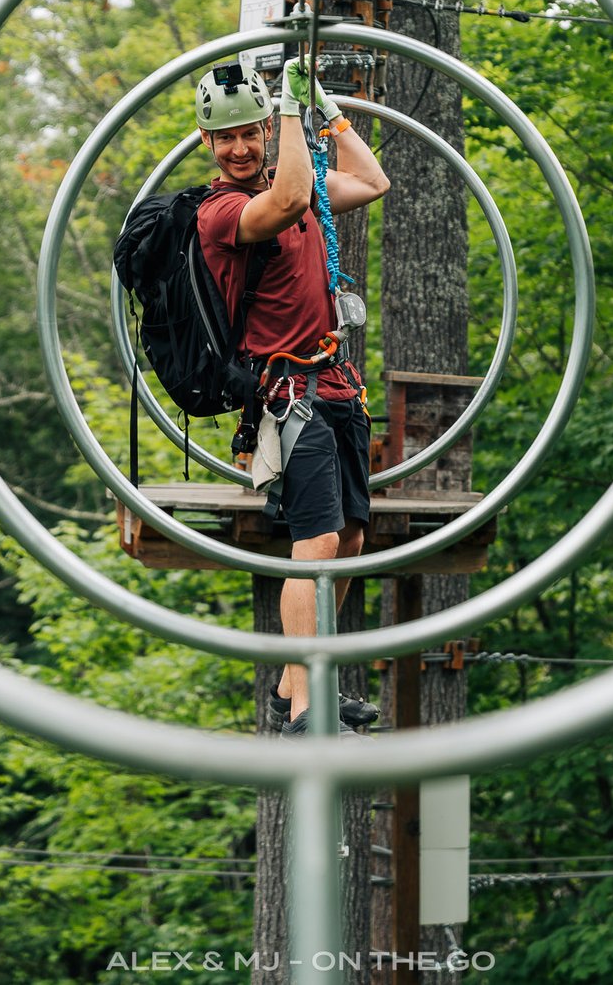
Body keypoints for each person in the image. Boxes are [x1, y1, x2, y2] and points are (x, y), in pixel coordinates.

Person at [194, 58, 390, 737]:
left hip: (337, 386)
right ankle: (307, 708)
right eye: (226, 139)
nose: (240, 148)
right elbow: (281, 202)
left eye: (249, 133)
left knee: (353, 539)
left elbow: (371, 181)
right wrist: (284, 109)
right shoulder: (223, 212)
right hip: (289, 396)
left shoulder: (302, 190)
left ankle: (293, 685)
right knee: (316, 542)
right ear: (206, 144)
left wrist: (327, 111)